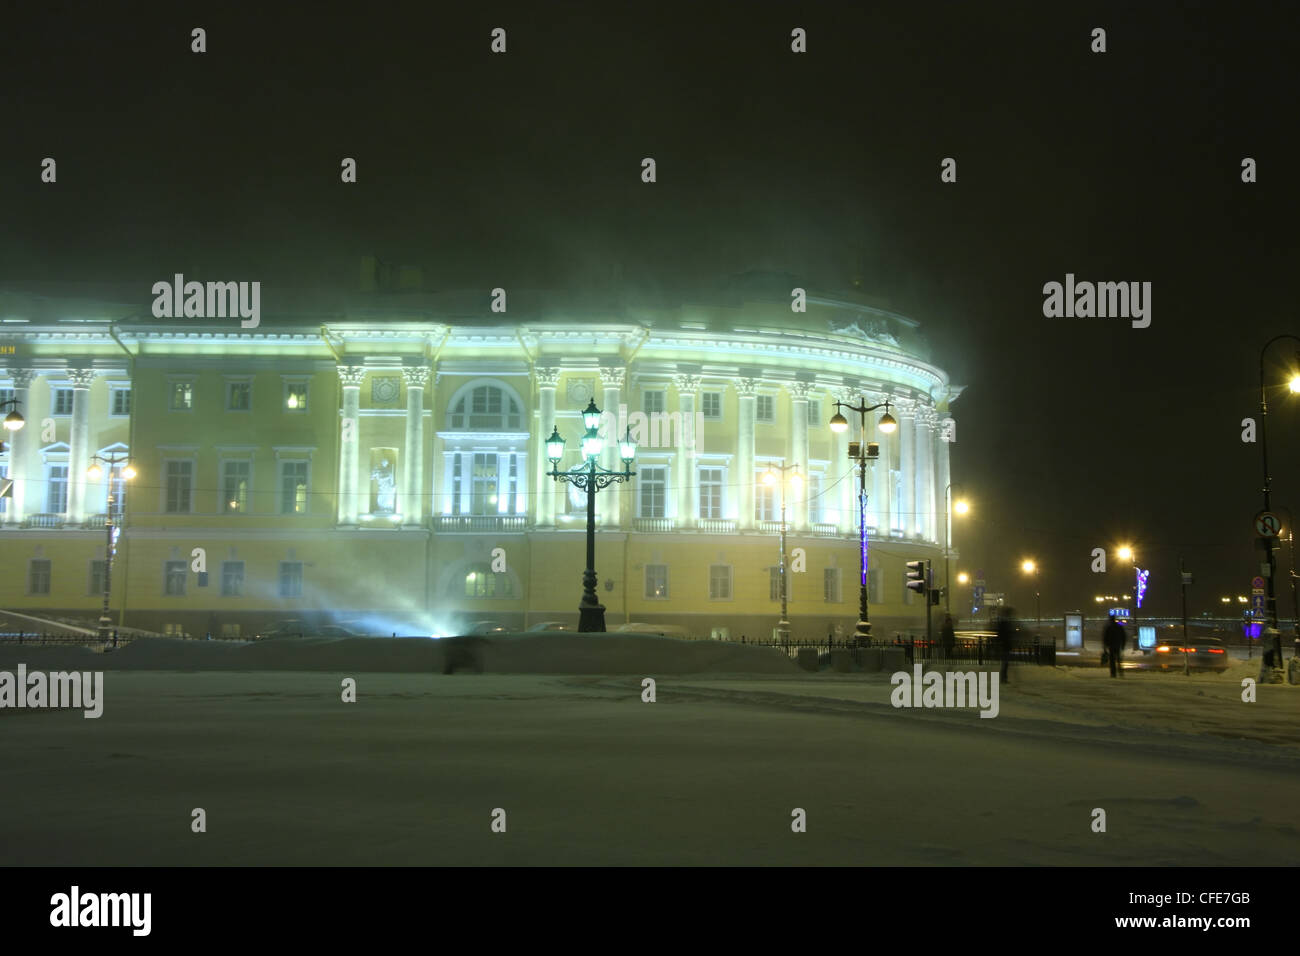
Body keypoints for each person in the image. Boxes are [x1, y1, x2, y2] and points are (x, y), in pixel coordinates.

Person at [995, 608, 1015, 684]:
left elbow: (1000, 634)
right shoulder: (1005, 623)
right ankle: (1003, 678)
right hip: (1005, 645)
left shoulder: (1003, 623)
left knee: (1005, 663)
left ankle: (1003, 678)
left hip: (1004, 645)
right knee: (1005, 663)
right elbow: (1005, 635)